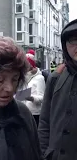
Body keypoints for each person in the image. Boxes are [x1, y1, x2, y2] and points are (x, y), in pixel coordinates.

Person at [38, 19, 77, 160]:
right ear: (65, 45)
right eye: (73, 41)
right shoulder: (56, 77)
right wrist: (44, 153)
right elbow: (44, 121)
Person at [22, 49, 45, 126]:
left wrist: (31, 98)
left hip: (35, 113)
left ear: (31, 65)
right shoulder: (26, 76)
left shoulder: (39, 78)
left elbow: (42, 98)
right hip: (25, 111)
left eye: (26, 65)